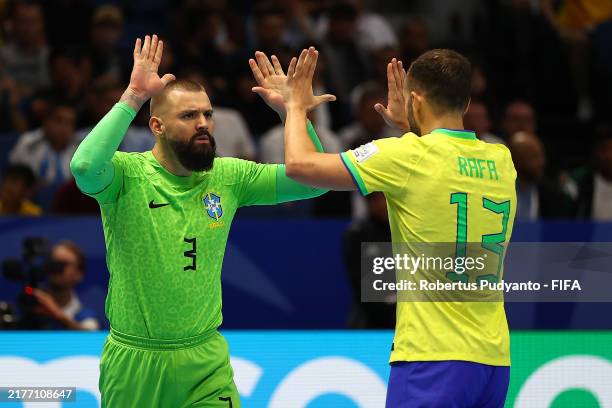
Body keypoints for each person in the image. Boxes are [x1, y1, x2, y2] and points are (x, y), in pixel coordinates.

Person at [70, 35, 331, 408]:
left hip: (205, 360)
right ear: (157, 126)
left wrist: (293, 113)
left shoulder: (229, 177)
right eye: (189, 116)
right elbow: (83, 167)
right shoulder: (127, 175)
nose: (204, 123)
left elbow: (313, 182)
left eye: (207, 114)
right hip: (135, 361)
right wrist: (132, 98)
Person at [255, 47, 517, 407]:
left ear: (415, 99)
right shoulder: (501, 160)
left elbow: (301, 165)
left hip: (432, 357)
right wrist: (414, 123)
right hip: (492, 360)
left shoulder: (404, 155)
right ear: (467, 102)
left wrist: (295, 106)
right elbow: (442, 163)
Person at [31, 241, 100, 330]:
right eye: (53, 262)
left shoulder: (84, 315)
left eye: (63, 264)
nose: (56, 268)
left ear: (79, 274)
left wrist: (58, 315)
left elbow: (91, 335)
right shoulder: (31, 304)